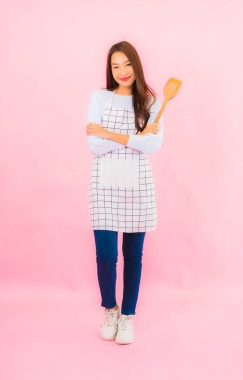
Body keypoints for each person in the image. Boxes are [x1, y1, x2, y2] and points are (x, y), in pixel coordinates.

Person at [86, 41, 164, 344]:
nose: (122, 71)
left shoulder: (151, 101)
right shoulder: (99, 98)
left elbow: (153, 146)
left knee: (133, 256)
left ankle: (127, 317)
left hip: (138, 184)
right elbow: (92, 145)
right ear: (110, 69)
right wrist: (135, 138)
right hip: (103, 184)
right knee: (105, 255)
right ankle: (110, 309)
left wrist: (107, 133)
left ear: (136, 65)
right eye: (115, 66)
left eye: (127, 64)